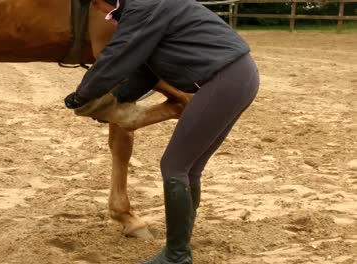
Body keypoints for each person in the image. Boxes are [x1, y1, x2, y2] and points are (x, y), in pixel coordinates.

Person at [64, 0, 260, 263]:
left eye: (94, 5)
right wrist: (117, 100)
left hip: (223, 80)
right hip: (237, 77)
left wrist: (82, 95)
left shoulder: (143, 6)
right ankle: (181, 247)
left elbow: (117, 56)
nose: (98, 12)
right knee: (189, 167)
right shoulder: (144, 8)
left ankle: (177, 255)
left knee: (174, 166)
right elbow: (145, 71)